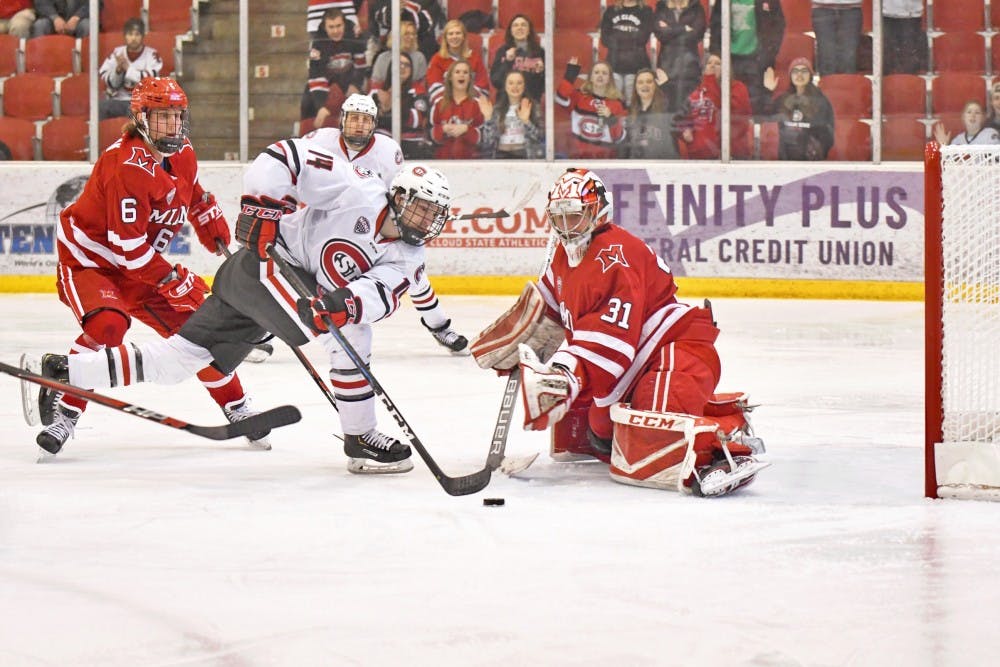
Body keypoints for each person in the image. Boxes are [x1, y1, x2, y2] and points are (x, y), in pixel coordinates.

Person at [40, 144, 453, 475]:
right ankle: (361, 436)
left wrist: (345, 303)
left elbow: (379, 294)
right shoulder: (357, 188)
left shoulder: (409, 258)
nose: (426, 219)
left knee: (181, 361)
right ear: (398, 196)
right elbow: (281, 158)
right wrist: (261, 208)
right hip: (264, 264)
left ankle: (67, 372)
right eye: (421, 207)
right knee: (349, 340)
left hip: (277, 291)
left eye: (435, 214)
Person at [470, 169, 767, 497]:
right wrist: (521, 336)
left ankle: (724, 440)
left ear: (597, 213)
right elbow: (549, 312)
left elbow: (613, 342)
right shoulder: (561, 256)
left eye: (575, 216)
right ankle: (705, 415)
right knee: (601, 433)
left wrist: (564, 372)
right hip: (633, 368)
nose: (567, 227)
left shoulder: (616, 256)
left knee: (651, 444)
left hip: (674, 352)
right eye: (560, 217)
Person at [32, 77, 269, 455]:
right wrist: (175, 280)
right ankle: (66, 411)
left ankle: (236, 406)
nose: (172, 125)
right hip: (91, 261)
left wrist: (205, 213)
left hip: (140, 267)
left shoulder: (183, 152)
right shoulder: (125, 165)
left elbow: (188, 191)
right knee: (107, 326)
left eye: (177, 116)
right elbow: (128, 250)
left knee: (199, 332)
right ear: (141, 118)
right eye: (162, 117)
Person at [306, 93, 470, 354]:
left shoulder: (386, 150)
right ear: (343, 120)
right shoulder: (318, 142)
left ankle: (439, 327)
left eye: (366, 119)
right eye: (354, 118)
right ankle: (263, 336)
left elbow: (399, 193)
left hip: (367, 223)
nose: (359, 125)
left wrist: (413, 219)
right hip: (324, 222)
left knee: (413, 273)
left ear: (374, 124)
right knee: (294, 272)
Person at [708, 0, 786, 114]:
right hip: (729, 58)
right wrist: (716, 52)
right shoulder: (723, 1)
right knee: (729, 104)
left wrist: (770, 52)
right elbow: (715, 25)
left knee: (754, 104)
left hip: (756, 59)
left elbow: (778, 24)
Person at [301, 8, 369, 129]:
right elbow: (316, 75)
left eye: (339, 26)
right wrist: (321, 105)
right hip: (327, 81)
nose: (336, 31)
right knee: (307, 100)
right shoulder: (318, 42)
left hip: (350, 80)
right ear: (325, 27)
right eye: (331, 27)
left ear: (344, 24)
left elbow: (361, 65)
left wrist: (355, 85)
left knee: (365, 103)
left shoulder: (354, 34)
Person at [677, 53, 753, 159]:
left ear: (726, 68)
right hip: (699, 156)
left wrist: (711, 80)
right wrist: (685, 129)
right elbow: (682, 119)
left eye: (718, 63)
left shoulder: (738, 88)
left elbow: (733, 114)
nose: (712, 66)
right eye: (709, 63)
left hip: (730, 155)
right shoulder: (697, 93)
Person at [762, 57, 835, 160]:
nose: (799, 75)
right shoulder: (782, 99)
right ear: (790, 75)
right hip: (784, 158)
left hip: (810, 159)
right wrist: (768, 91)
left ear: (810, 75)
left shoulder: (821, 101)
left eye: (804, 71)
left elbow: (827, 133)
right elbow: (765, 118)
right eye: (795, 71)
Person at [556, 58, 628, 159]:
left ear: (609, 79)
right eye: (596, 72)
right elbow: (560, 97)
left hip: (605, 162)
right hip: (578, 159)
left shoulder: (617, 104)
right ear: (590, 77)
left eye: (604, 73)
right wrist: (570, 75)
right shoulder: (578, 97)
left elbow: (619, 138)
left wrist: (611, 118)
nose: (600, 75)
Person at [98, 17, 163, 120]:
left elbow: (150, 81)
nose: (133, 38)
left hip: (141, 102)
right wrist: (118, 71)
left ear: (143, 36)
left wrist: (128, 69)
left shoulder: (152, 55)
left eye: (137, 34)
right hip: (118, 100)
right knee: (101, 107)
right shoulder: (116, 53)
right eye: (130, 34)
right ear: (125, 36)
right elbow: (106, 78)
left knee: (135, 110)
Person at [652, 0, 707, 112]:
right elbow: (661, 34)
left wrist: (670, 29)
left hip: (690, 67)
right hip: (667, 67)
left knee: (689, 109)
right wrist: (684, 29)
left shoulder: (696, 8)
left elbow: (696, 35)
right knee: (668, 109)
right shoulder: (661, 7)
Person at [478, 70, 544, 160]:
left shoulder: (533, 107)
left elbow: (539, 137)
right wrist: (488, 118)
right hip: (500, 156)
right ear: (505, 86)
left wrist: (526, 121)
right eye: (511, 83)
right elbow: (488, 142)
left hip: (525, 156)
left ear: (524, 86)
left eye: (519, 83)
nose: (515, 86)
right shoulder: (497, 109)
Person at [600, 0, 654, 106]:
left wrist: (618, 37)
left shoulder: (646, 11)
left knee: (634, 106)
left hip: (636, 67)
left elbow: (642, 38)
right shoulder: (611, 11)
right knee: (613, 105)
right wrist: (630, 37)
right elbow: (605, 39)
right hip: (614, 65)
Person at [429, 60, 484, 159]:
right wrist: (443, 129)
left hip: (471, 162)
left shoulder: (478, 104)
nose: (461, 75)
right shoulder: (439, 103)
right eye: (457, 72)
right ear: (450, 77)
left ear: (470, 78)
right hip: (443, 160)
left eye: (465, 72)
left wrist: (466, 130)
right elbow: (429, 132)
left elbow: (484, 137)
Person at [425, 19, 489, 105]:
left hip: (471, 105)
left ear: (464, 37)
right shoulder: (437, 59)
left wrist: (464, 98)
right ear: (445, 38)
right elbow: (433, 86)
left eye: (458, 33)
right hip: (446, 105)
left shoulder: (474, 58)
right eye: (450, 34)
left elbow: (483, 84)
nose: (454, 36)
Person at [624, 68, 680, 159]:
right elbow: (625, 146)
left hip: (662, 166)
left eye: (649, 81)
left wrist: (666, 86)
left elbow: (677, 105)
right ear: (635, 87)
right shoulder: (630, 112)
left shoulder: (666, 108)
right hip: (636, 167)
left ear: (655, 85)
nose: (645, 85)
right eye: (640, 82)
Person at [488, 13, 545, 102]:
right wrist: (508, 61)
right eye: (515, 25)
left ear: (529, 30)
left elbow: (544, 87)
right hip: (505, 103)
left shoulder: (540, 52)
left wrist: (538, 73)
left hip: (530, 102)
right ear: (511, 31)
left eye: (523, 25)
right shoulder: (502, 51)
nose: (519, 28)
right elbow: (496, 81)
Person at [369, 18, 428, 93]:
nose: (411, 37)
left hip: (411, 97)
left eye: (413, 34)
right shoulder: (383, 58)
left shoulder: (419, 58)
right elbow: (376, 86)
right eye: (407, 34)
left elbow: (421, 86)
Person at [811, 0, 862, 76]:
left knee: (849, 57)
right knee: (826, 56)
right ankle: (827, 86)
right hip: (822, 7)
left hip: (852, 8)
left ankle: (847, 86)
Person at [882, 0, 926, 75]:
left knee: (908, 56)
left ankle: (908, 83)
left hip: (911, 15)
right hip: (887, 13)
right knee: (887, 56)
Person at [933, 101, 1000, 147]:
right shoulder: (957, 140)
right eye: (969, 112)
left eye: (977, 112)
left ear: (983, 118)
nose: (973, 115)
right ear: (963, 117)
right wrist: (945, 147)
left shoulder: (990, 134)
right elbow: (951, 162)